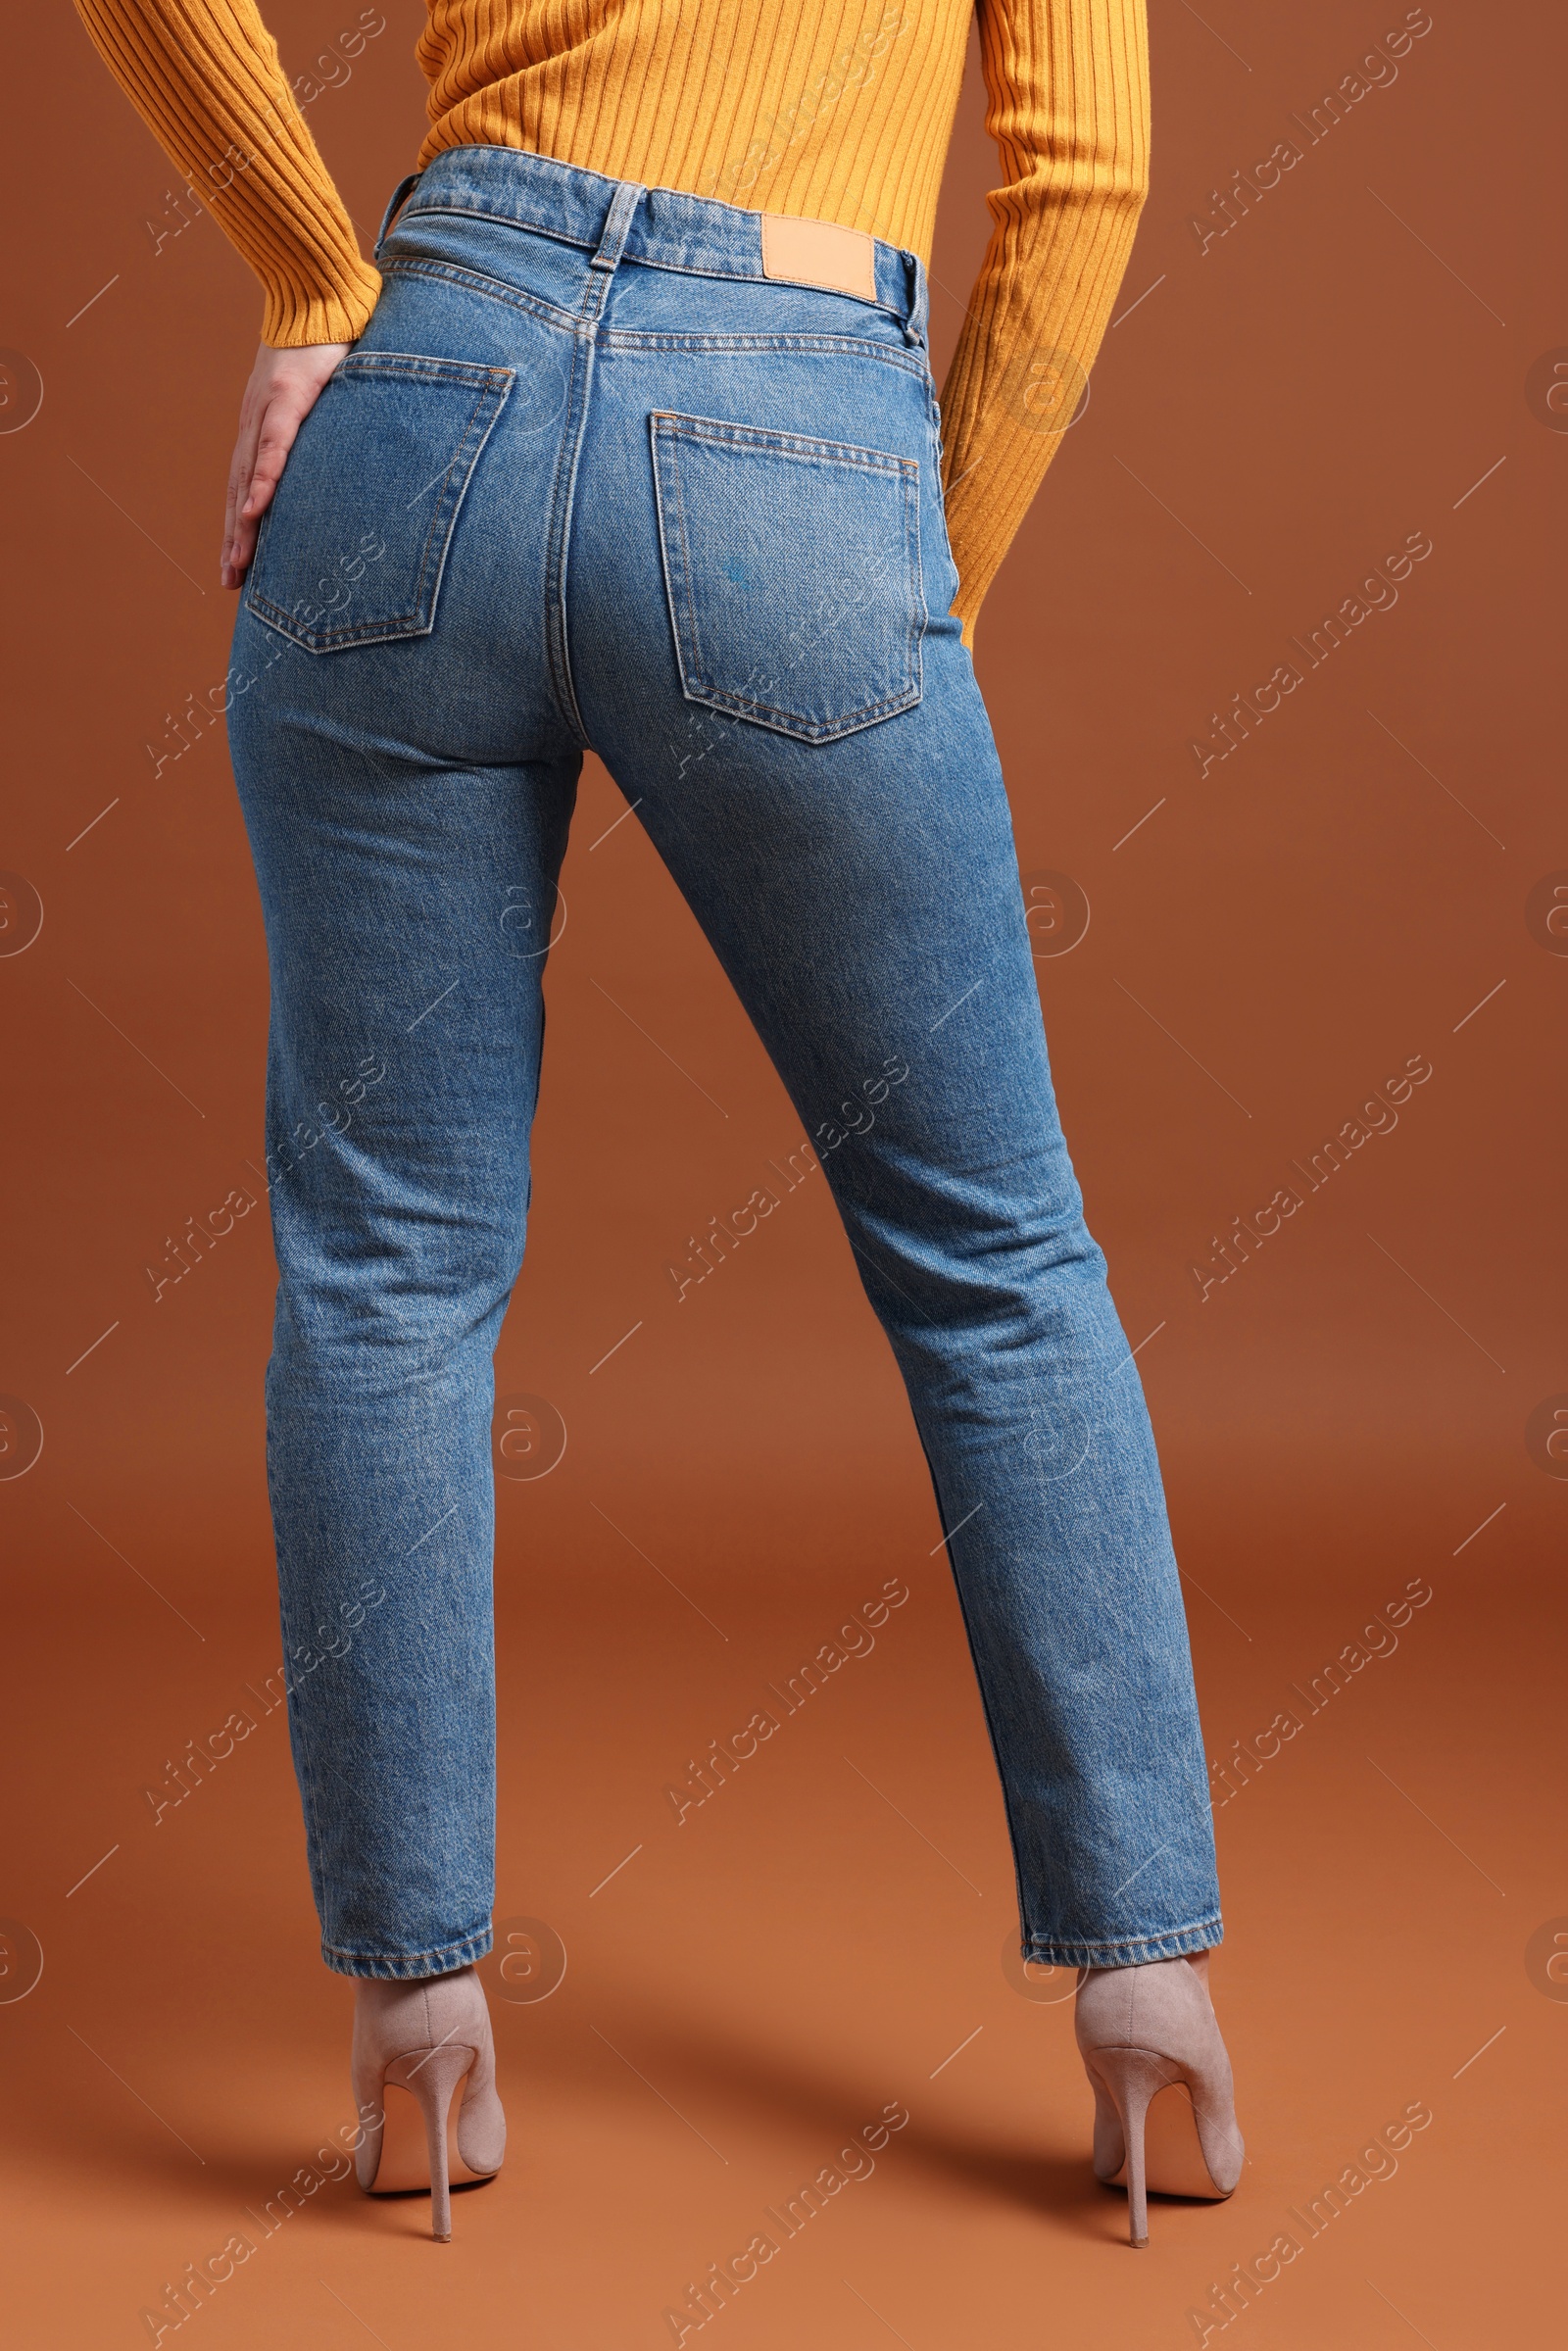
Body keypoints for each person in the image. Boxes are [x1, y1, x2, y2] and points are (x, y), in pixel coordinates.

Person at [73, 0, 1242, 2245]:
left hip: (423, 392)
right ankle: (1143, 1992)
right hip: (791, 421)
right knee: (989, 1256)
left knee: (386, 1266)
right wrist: (923, 582)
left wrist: (306, 268)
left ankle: (414, 2023)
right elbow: (1078, 169)